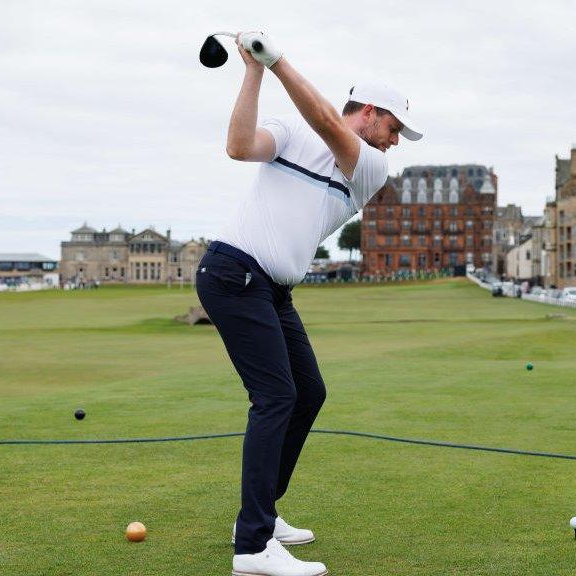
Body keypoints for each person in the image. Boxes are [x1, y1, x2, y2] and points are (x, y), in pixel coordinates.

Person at [195, 32, 422, 576]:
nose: (396, 142)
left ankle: (261, 515)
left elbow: (327, 124)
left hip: (271, 288)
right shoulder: (291, 129)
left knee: (307, 393)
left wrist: (277, 62)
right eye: (394, 128)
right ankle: (251, 547)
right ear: (370, 112)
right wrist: (253, 70)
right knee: (275, 397)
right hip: (234, 271)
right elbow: (238, 147)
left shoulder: (369, 166)